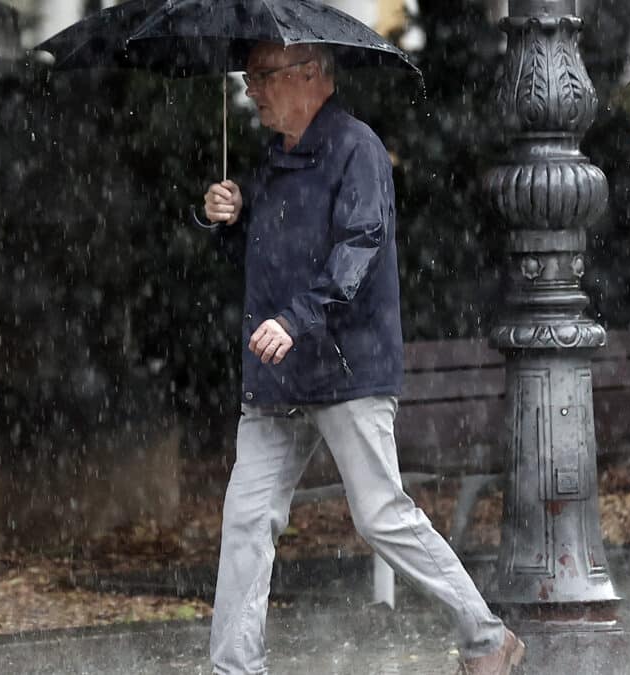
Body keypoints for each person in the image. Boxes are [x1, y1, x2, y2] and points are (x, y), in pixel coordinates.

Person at [201, 42, 525, 675]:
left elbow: (359, 249)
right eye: (248, 77)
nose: (250, 89)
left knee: (380, 515)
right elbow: (267, 260)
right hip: (279, 374)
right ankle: (234, 669)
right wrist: (230, 219)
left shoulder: (358, 149)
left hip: (346, 369)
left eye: (262, 76)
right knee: (245, 520)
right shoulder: (275, 159)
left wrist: (296, 320)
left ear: (312, 77)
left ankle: (488, 638)